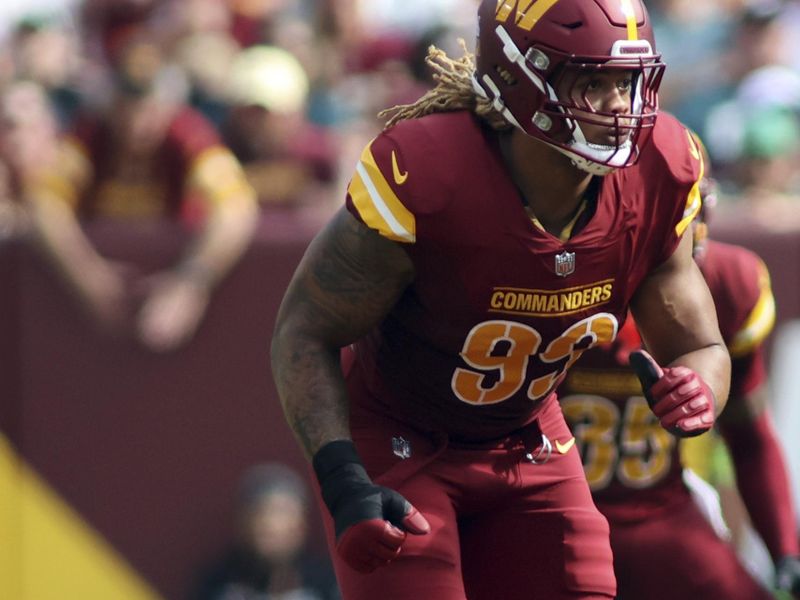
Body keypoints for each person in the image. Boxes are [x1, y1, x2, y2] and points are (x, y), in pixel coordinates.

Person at [270, 1, 731, 598]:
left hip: (529, 436)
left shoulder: (660, 170)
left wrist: (700, 388)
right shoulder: (432, 175)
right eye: (592, 81)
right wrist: (342, 480)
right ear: (519, 77)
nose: (621, 105)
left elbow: (701, 346)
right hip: (400, 437)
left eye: (626, 81)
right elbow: (303, 331)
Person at [557, 159, 800, 599]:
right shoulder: (549, 275)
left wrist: (786, 552)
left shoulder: (728, 284)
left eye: (687, 209)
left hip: (658, 512)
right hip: (547, 513)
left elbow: (750, 437)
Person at [27, 7, 258, 352]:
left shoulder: (186, 134)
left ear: (167, 103)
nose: (137, 125)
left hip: (169, 298)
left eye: (148, 108)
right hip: (99, 313)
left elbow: (237, 208)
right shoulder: (91, 135)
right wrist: (86, 275)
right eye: (127, 107)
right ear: (113, 102)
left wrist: (190, 282)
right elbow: (44, 204)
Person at [191, 463, 340, 600]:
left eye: (285, 513)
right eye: (265, 530)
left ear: (301, 526)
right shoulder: (219, 585)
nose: (274, 525)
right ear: (244, 525)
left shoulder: (326, 585)